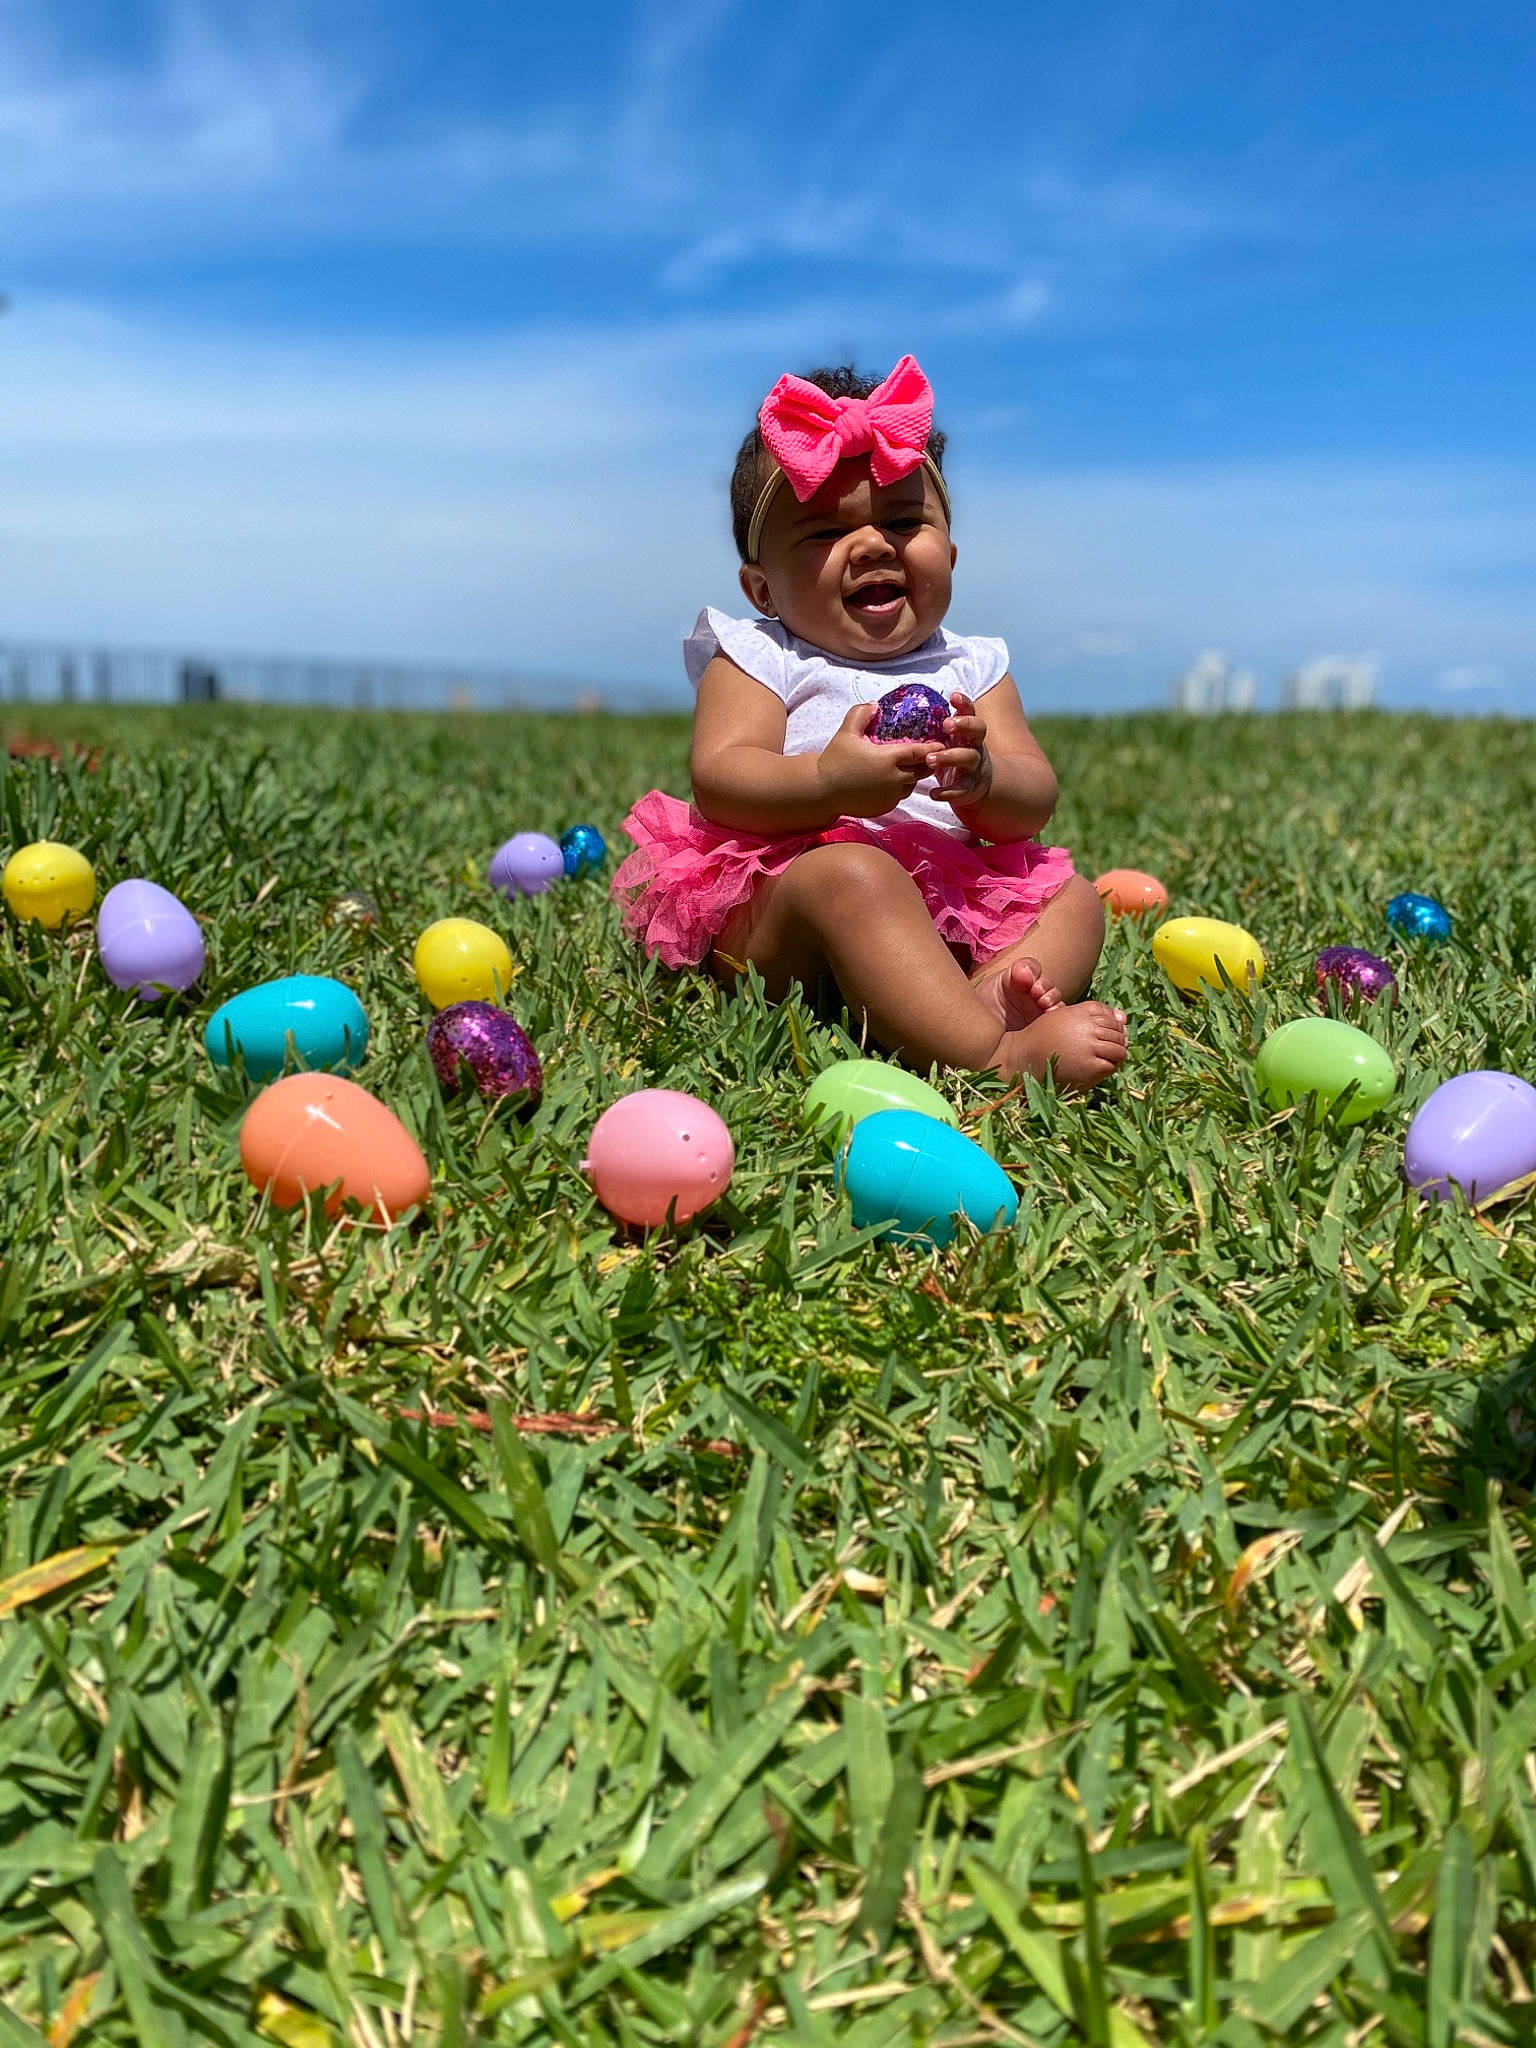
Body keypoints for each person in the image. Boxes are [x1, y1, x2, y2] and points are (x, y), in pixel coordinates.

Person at [612, 355, 1128, 1087]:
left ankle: (981, 997)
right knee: (855, 874)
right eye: (824, 533)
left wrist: (984, 780)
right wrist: (827, 783)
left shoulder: (974, 664)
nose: (873, 545)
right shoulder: (762, 652)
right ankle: (993, 1057)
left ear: (950, 553)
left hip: (947, 897)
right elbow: (721, 778)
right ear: (762, 588)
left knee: (1073, 898)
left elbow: (1033, 800)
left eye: (904, 521)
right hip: (793, 905)